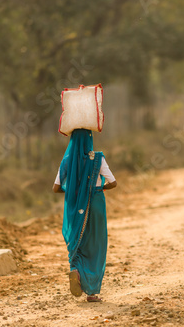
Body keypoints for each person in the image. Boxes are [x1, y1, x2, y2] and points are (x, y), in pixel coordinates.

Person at [53, 129, 117, 302]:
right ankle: (92, 292)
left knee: (78, 240)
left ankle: (75, 269)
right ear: (89, 139)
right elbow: (113, 182)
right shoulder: (97, 158)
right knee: (96, 244)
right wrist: (98, 188)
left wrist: (75, 192)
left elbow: (56, 188)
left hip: (75, 206)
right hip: (95, 203)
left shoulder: (68, 160)